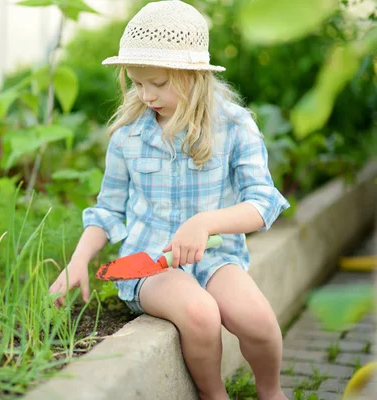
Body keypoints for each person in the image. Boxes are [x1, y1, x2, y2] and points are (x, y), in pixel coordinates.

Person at [48, 1, 290, 399]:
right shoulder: (128, 136)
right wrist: (79, 260)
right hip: (150, 263)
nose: (145, 95)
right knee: (200, 313)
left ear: (194, 76)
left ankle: (271, 392)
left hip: (215, 257)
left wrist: (205, 223)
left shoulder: (233, 125)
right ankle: (214, 395)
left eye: (158, 84)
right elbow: (108, 210)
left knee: (258, 320)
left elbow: (262, 202)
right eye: (138, 83)